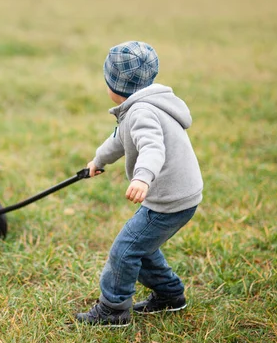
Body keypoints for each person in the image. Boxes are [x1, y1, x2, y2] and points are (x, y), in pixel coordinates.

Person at [75, 41, 204, 327]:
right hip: (180, 194)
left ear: (113, 85)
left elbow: (152, 148)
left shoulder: (141, 112)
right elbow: (119, 139)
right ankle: (170, 296)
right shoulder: (145, 105)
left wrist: (143, 177)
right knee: (141, 248)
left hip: (169, 199)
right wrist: (98, 162)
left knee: (125, 250)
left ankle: (113, 310)